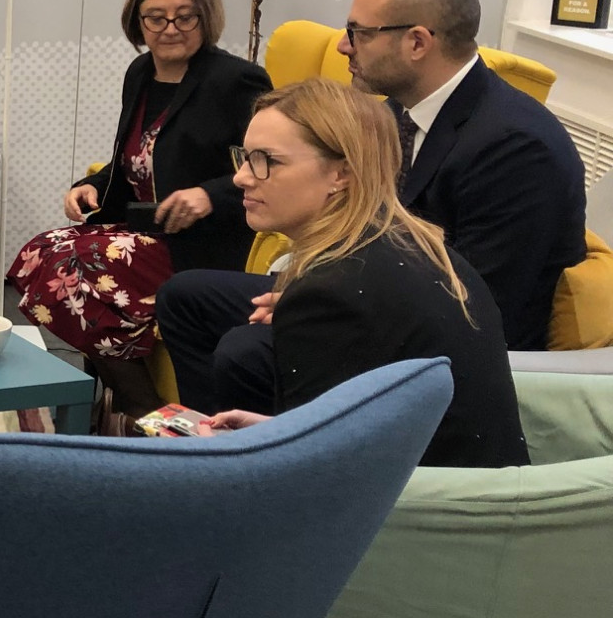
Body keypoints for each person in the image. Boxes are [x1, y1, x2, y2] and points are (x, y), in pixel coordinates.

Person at [158, 0, 586, 414]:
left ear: (417, 42)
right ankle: (201, 438)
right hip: (365, 290)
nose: (343, 45)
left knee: (244, 350)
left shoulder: (515, 145)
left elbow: (479, 303)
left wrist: (320, 304)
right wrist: (312, 291)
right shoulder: (400, 112)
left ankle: (262, 449)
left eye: (358, 33)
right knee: (186, 297)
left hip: (437, 343)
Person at [196, 79, 526, 469]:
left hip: (427, 499)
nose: (241, 177)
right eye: (246, 157)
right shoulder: (418, 246)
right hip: (474, 481)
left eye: (267, 160)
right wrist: (274, 430)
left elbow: (315, 472)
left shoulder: (329, 292)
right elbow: (352, 427)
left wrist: (229, 457)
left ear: (342, 174)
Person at [10, 0, 268, 419]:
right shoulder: (140, 73)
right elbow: (136, 156)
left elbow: (268, 167)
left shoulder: (236, 80)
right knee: (39, 252)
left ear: (205, 17)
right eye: (156, 17)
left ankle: (138, 406)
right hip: (143, 230)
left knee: (73, 264)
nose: (170, 29)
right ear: (138, 20)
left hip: (200, 243)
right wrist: (90, 185)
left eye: (184, 17)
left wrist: (210, 194)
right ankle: (136, 404)